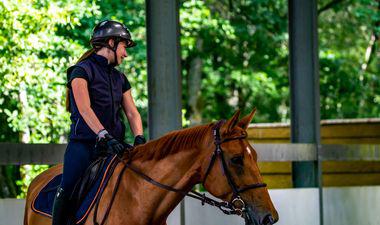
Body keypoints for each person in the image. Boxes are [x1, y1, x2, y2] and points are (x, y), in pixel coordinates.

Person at [52, 20, 146, 225]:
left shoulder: (120, 78)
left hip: (115, 148)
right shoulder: (80, 71)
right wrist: (104, 135)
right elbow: (85, 109)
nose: (126, 54)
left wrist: (139, 137)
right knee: (68, 186)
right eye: (124, 47)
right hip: (84, 146)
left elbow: (132, 113)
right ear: (111, 42)